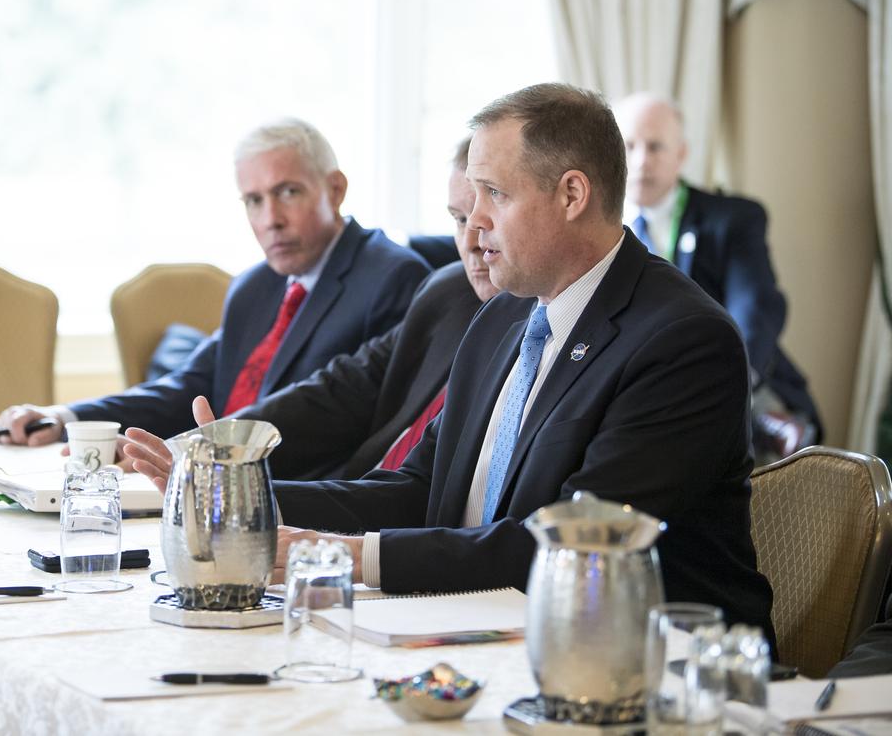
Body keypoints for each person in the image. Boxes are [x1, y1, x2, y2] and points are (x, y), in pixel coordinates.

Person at [126, 84, 776, 639]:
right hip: (484, 625)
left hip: (649, 661)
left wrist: (351, 557)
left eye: (493, 193)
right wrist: (238, 495)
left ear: (573, 193)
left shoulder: (683, 340)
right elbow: (419, 489)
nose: (474, 227)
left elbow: (568, 546)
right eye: (467, 202)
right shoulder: (502, 316)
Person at [0, 117, 430, 445]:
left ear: (335, 189)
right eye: (254, 201)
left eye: (288, 192)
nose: (270, 220)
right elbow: (190, 386)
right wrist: (67, 418)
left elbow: (350, 423)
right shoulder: (255, 286)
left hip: (294, 497)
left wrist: (194, 455)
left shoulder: (393, 278)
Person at [241, 136, 499, 481]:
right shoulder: (448, 290)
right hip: (362, 498)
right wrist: (220, 447)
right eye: (460, 219)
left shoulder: (395, 275)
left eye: (489, 216)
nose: (471, 243)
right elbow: (346, 386)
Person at [614, 93, 820, 458]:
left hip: (730, 381)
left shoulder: (732, 219)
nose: (641, 161)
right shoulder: (597, 229)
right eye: (629, 146)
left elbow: (754, 308)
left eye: (656, 147)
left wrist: (722, 384)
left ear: (681, 154)